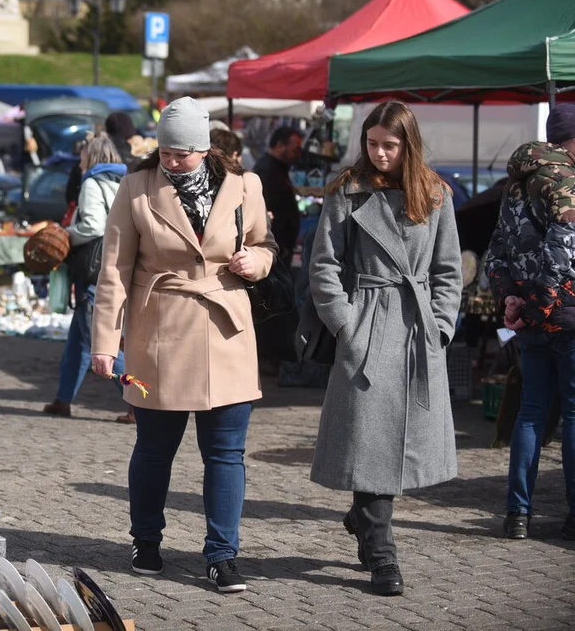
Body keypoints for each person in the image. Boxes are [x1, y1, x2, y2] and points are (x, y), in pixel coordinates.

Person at [90, 97, 277, 592]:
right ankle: (146, 542)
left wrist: (254, 264)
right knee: (154, 449)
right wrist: (105, 342)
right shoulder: (135, 188)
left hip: (226, 330)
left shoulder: (245, 185)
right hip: (160, 331)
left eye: (183, 154)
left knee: (226, 452)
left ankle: (222, 555)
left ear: (205, 147)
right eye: (166, 152)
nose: (172, 162)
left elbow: (266, 244)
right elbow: (113, 271)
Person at [309, 100, 462, 596]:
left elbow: (448, 270)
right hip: (368, 327)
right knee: (370, 442)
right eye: (372, 143)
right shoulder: (346, 192)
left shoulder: (436, 194)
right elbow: (324, 265)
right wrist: (345, 324)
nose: (378, 153)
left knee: (395, 444)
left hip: (416, 330)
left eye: (389, 145)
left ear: (407, 145)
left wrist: (439, 326)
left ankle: (362, 517)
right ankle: (383, 555)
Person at [485, 102, 575, 543]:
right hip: (565, 314)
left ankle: (516, 514)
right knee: (573, 415)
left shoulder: (514, 184)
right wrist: (537, 307)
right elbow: (563, 252)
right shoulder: (566, 180)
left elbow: (496, 253)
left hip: (530, 317)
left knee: (531, 413)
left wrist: (512, 303)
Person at [43, 134, 129, 420]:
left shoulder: (92, 182)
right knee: (79, 339)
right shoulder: (124, 180)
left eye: (81, 157)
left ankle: (140, 401)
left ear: (90, 157)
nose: (79, 162)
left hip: (93, 268)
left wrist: (66, 234)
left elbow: (92, 225)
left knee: (98, 340)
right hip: (115, 263)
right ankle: (62, 399)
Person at [252, 126, 304, 265]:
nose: (298, 154)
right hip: (274, 246)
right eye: (295, 149)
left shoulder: (277, 169)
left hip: (280, 246)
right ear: (280, 145)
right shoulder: (267, 171)